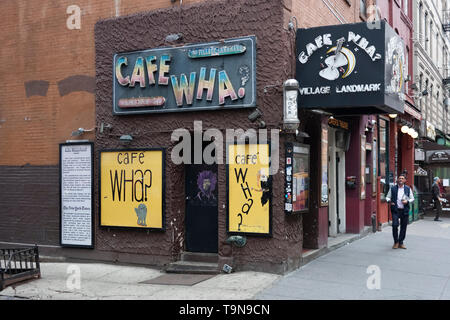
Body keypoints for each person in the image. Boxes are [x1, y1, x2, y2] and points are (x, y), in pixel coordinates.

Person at [386, 174, 414, 249]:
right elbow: (387, 197)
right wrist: (390, 201)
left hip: (404, 210)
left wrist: (407, 201)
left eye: (402, 178)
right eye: (399, 178)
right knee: (395, 225)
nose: (400, 179)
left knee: (403, 227)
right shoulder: (393, 188)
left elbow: (412, 198)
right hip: (395, 210)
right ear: (397, 180)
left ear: (405, 180)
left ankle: (401, 242)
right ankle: (396, 242)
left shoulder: (408, 189)